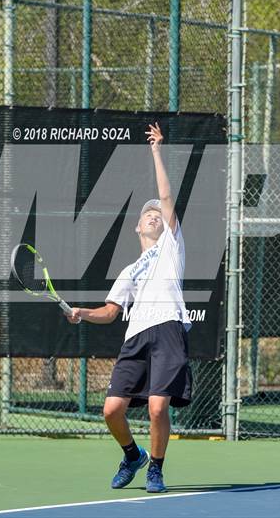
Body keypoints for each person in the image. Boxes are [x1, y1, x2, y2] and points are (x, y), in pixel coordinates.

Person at [66, 122, 192, 493]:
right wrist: (82, 313)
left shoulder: (172, 248)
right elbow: (110, 311)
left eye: (158, 214)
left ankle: (156, 468)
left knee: (157, 407)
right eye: (148, 214)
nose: (154, 215)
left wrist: (156, 150)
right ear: (138, 227)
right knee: (111, 410)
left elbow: (166, 198)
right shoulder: (127, 270)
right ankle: (132, 455)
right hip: (135, 336)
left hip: (168, 329)